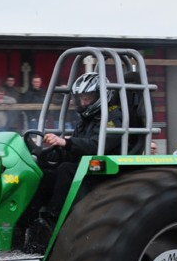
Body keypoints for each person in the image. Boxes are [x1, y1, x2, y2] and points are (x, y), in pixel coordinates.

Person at [26, 72, 125, 249]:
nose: (84, 102)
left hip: (103, 168)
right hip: (83, 165)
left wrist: (66, 142)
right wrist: (48, 153)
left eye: (88, 98)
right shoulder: (86, 119)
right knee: (42, 173)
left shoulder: (112, 118)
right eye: (81, 98)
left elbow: (95, 146)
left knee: (65, 169)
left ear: (101, 96)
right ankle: (28, 222)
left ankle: (54, 222)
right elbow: (73, 151)